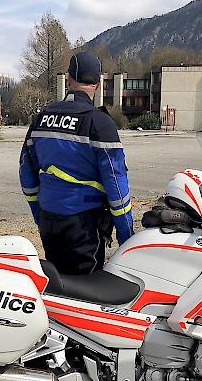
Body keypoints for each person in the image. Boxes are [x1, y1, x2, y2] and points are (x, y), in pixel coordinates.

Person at [19, 52, 134, 275]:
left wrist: (39, 215)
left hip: (49, 219)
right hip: (84, 226)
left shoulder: (41, 118)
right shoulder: (100, 122)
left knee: (57, 283)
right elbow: (117, 185)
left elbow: (26, 172)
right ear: (98, 84)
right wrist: (126, 234)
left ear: (69, 79)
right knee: (84, 293)